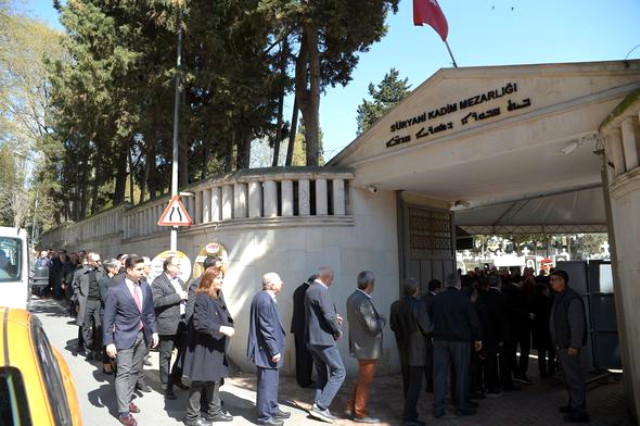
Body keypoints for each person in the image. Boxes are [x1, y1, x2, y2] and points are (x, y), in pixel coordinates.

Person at [103, 256, 159, 426]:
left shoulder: (146, 287)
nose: (143, 272)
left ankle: (126, 401)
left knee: (135, 370)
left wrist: (154, 331)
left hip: (143, 335)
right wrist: (109, 342)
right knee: (123, 372)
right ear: (128, 270)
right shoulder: (115, 291)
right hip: (124, 337)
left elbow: (149, 312)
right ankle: (123, 412)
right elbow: (108, 318)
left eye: (143, 269)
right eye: (139, 269)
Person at [182, 267, 234, 426]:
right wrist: (221, 328)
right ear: (209, 280)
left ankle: (214, 412)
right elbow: (199, 323)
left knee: (214, 379)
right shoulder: (202, 297)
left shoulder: (217, 296)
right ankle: (192, 417)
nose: (221, 280)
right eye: (218, 278)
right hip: (203, 347)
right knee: (199, 381)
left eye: (222, 277)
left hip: (215, 345)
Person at [431, 272, 483, 418]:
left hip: (440, 340)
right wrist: (478, 339)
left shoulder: (437, 298)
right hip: (460, 341)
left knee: (440, 374)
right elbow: (473, 321)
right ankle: (461, 406)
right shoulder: (463, 299)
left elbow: (430, 318)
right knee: (461, 374)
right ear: (458, 284)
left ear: (447, 283)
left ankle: (438, 408)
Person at [247, 272, 290, 426]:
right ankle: (264, 417)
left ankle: (272, 408)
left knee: (272, 382)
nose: (282, 283)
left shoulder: (265, 297)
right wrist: (274, 350)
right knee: (266, 384)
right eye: (279, 281)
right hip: (266, 351)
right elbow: (266, 327)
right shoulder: (264, 299)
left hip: (269, 350)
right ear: (271, 285)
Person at [305, 266, 346, 424]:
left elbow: (319, 315)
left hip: (312, 339)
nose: (331, 283)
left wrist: (334, 318)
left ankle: (317, 404)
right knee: (339, 372)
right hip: (323, 340)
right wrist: (337, 330)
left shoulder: (310, 289)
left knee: (322, 373)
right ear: (327, 277)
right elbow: (328, 316)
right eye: (332, 280)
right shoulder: (321, 290)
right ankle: (321, 406)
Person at [345, 271, 385, 424]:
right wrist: (382, 321)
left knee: (362, 379)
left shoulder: (352, 297)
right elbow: (373, 327)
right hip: (367, 348)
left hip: (360, 345)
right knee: (365, 382)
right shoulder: (363, 301)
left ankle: (351, 406)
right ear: (370, 284)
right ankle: (360, 413)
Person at [549, 270, 589, 423]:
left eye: (554, 279)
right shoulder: (559, 296)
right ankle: (573, 404)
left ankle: (579, 410)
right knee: (568, 377)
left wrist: (574, 345)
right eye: (551, 279)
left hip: (568, 346)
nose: (551, 282)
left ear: (562, 281)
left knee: (574, 378)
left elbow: (577, 324)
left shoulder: (571, 298)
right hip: (561, 345)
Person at [390, 277, 431, 426]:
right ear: (415, 290)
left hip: (403, 348)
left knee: (408, 383)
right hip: (417, 350)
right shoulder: (419, 305)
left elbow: (393, 325)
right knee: (415, 385)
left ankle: (411, 412)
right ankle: (408, 416)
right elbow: (427, 328)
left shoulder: (395, 305)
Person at [151, 255, 188, 400]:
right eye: (177, 264)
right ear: (168, 267)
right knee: (165, 356)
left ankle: (176, 378)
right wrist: (178, 296)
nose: (179, 267)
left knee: (184, 353)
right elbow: (156, 302)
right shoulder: (158, 282)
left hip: (182, 323)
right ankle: (166, 385)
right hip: (167, 324)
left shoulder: (180, 281)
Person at [74, 252, 105, 361]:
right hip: (86, 302)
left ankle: (97, 350)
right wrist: (78, 300)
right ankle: (88, 349)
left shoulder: (101, 271)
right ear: (90, 261)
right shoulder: (80, 273)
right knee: (85, 326)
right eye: (96, 261)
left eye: (99, 260)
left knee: (98, 326)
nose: (99, 262)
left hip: (98, 302)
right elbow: (75, 286)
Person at [291, 275, 317, 388]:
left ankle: (301, 379)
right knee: (306, 356)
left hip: (297, 327)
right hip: (305, 328)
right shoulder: (308, 291)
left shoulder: (298, 289)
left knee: (300, 355)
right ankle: (306, 381)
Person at [99, 258, 120, 375]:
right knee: (107, 338)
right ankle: (106, 363)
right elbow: (104, 298)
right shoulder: (103, 281)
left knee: (116, 338)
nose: (118, 269)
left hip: (118, 313)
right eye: (116, 267)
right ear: (110, 268)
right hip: (106, 313)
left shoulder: (119, 280)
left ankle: (114, 361)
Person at [420, 278, 442, 393]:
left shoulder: (423, 298)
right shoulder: (436, 300)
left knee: (428, 360)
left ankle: (429, 383)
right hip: (433, 332)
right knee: (433, 360)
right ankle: (432, 383)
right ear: (437, 288)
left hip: (424, 333)